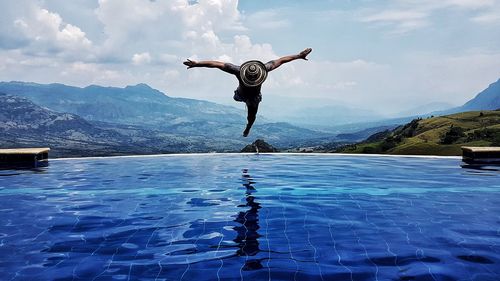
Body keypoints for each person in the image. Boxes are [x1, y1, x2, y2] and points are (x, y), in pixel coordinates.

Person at [183, 48, 312, 137]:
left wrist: (299, 56)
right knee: (238, 98)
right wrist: (197, 64)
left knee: (251, 118)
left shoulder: (264, 68)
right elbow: (216, 64)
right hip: (241, 95)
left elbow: (282, 60)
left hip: (253, 98)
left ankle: (248, 127)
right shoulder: (238, 70)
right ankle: (247, 121)